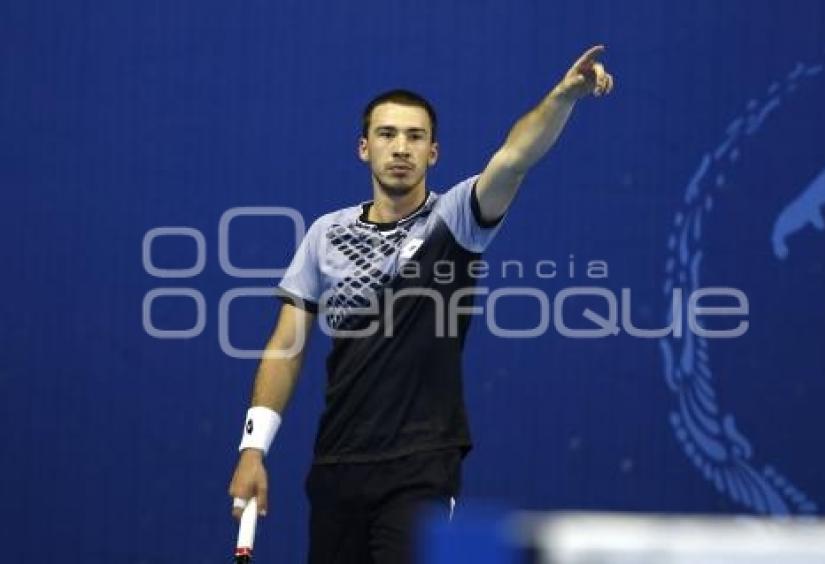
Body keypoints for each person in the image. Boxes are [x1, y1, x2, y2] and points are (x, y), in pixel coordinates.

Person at [228, 45, 614, 563]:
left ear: (433, 152)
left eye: (416, 136)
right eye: (387, 135)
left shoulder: (457, 219)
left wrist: (564, 96)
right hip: (336, 464)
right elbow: (286, 345)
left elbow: (515, 157)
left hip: (421, 465)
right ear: (364, 148)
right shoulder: (325, 234)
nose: (401, 148)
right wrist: (253, 449)